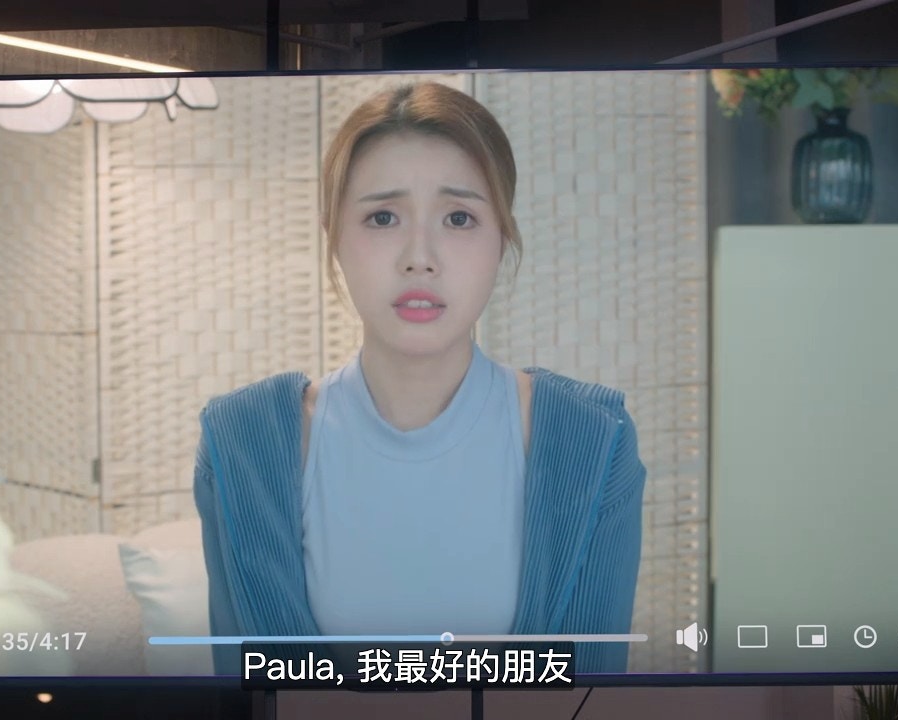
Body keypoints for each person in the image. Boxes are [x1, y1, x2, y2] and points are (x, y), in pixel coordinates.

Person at [193, 81, 646, 675]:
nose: (420, 257)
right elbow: (247, 696)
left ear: (502, 239)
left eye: (459, 218)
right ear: (334, 237)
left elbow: (591, 696)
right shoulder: (241, 444)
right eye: (383, 217)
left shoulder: (594, 440)